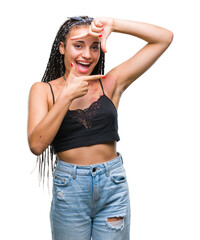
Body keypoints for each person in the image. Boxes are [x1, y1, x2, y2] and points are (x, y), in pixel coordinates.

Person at [27, 16, 173, 240]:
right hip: (70, 188)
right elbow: (37, 144)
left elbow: (163, 38)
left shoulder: (110, 83)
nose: (87, 54)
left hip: (112, 184)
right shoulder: (43, 90)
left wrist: (114, 25)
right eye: (78, 45)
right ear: (62, 48)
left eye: (94, 47)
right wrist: (67, 96)